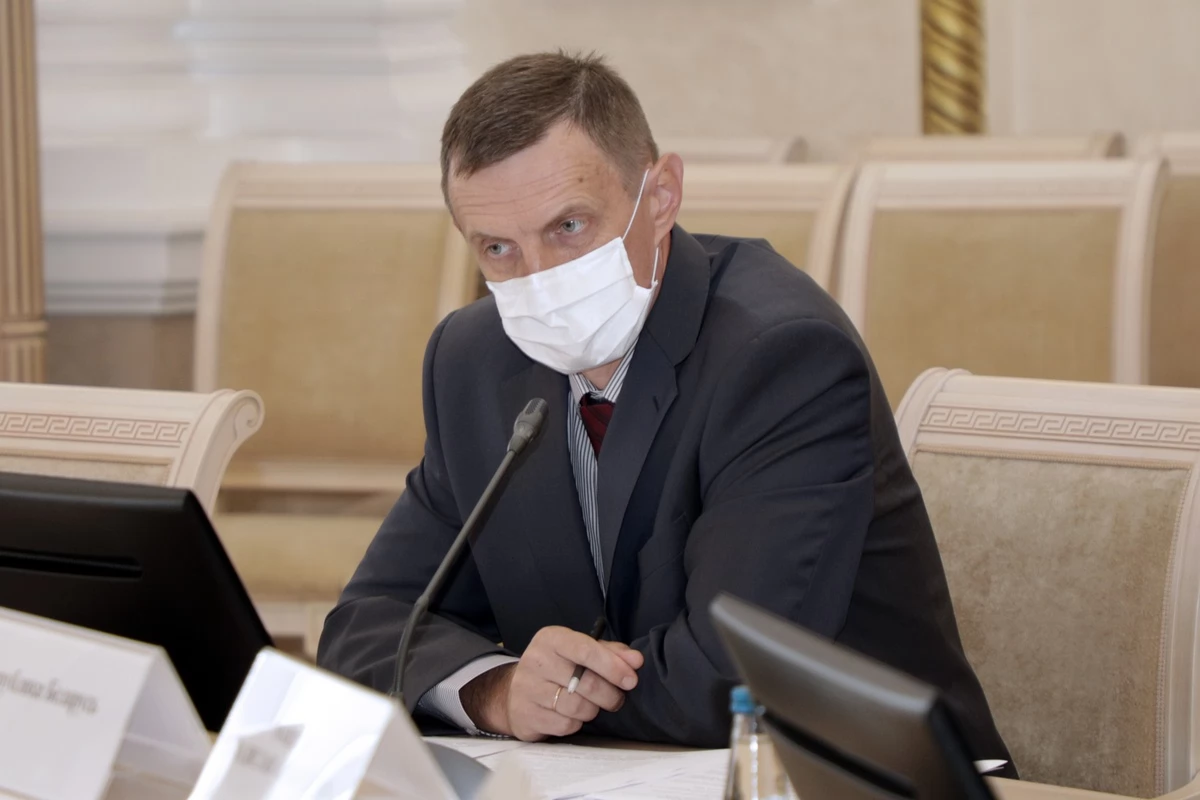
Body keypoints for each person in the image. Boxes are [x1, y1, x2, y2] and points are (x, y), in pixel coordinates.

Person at [317, 51, 1013, 768]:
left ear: (660, 196)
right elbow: (369, 627)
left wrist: (556, 695)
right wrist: (497, 690)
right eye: (498, 248)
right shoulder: (472, 361)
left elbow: (732, 677)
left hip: (852, 772)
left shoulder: (782, 357)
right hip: (617, 773)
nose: (539, 279)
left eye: (569, 226)